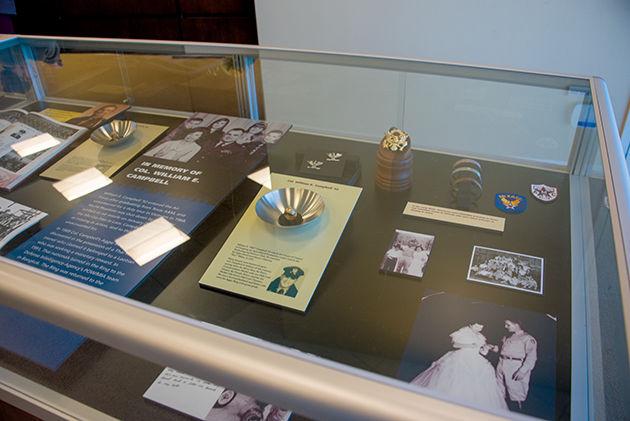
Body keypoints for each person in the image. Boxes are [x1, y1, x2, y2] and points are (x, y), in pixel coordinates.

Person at [411, 324, 508, 410]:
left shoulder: (480, 336)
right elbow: (455, 344)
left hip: (476, 360)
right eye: (479, 325)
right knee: (456, 378)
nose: (481, 327)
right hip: (462, 357)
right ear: (471, 323)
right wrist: (469, 345)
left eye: (482, 325)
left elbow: (482, 352)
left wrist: (487, 348)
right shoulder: (464, 331)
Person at [494, 320, 537, 410]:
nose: (505, 326)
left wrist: (523, 371)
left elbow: (532, 357)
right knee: (500, 391)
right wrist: (491, 347)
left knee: (516, 393)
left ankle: (518, 412)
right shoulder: (507, 336)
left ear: (517, 324)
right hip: (501, 363)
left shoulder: (527, 338)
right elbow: (501, 349)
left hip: (514, 367)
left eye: (508, 324)